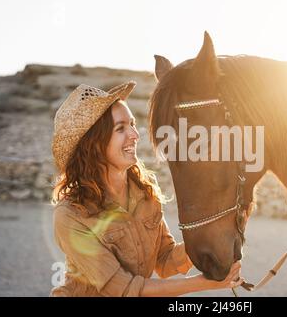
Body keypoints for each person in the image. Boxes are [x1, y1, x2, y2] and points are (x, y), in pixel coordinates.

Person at [50, 81, 243, 296]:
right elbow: (125, 289)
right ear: (94, 143)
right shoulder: (70, 215)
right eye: (121, 128)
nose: (135, 135)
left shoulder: (144, 193)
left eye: (132, 124)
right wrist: (205, 284)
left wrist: (216, 231)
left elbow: (165, 261)